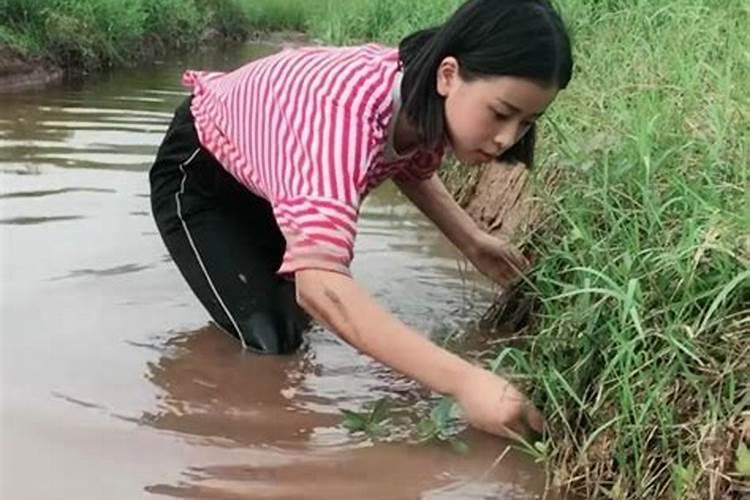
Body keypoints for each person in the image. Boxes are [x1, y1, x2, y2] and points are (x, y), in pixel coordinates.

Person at [149, 0, 573, 438]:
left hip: (276, 180)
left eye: (526, 123)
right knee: (272, 343)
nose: (507, 138)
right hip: (204, 177)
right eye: (501, 113)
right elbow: (322, 288)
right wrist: (467, 384)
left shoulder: (420, 95)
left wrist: (472, 240)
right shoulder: (339, 121)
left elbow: (409, 164)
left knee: (297, 322)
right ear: (449, 75)